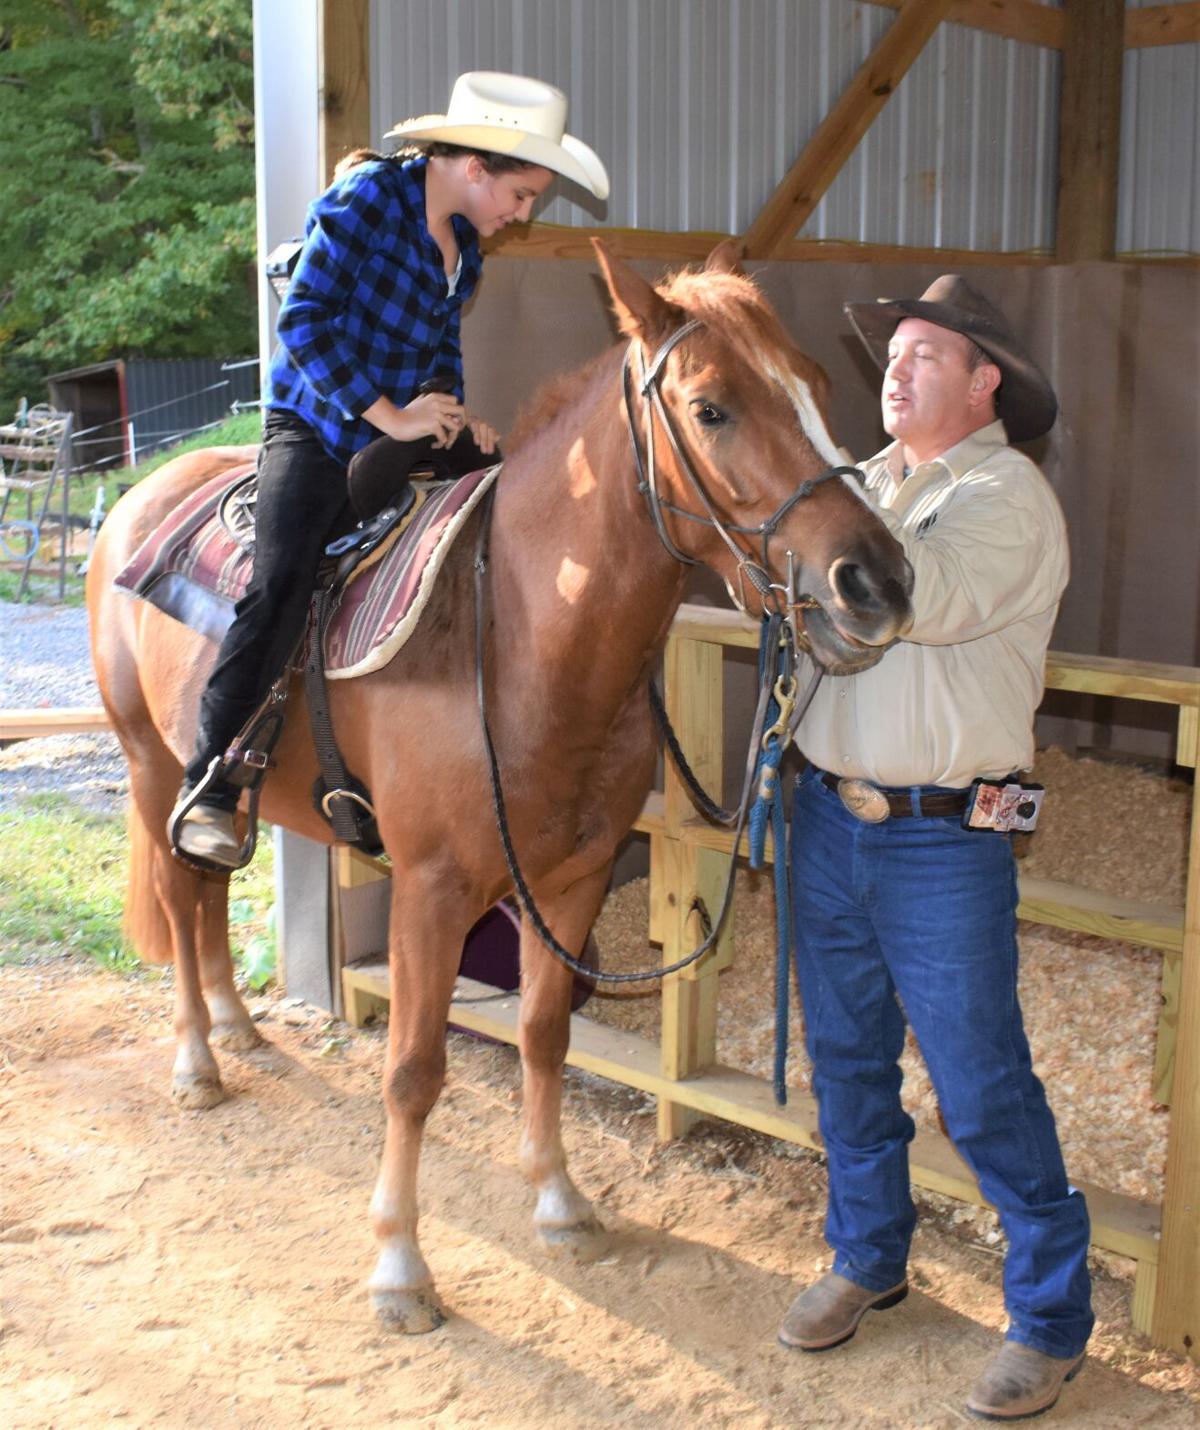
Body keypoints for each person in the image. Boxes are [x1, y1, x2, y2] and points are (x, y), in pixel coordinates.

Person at [781, 276, 1092, 1422]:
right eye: (893, 355)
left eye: (921, 356)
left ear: (982, 381)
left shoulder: (1006, 495)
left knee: (979, 1084)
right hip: (829, 816)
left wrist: (815, 532)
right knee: (850, 1061)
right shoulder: (861, 484)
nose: (896, 372)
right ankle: (869, 1254)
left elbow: (910, 595)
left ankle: (1051, 1319)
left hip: (943, 842)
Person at [171, 71, 608, 867]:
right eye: (522, 193)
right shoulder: (369, 198)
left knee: (508, 502)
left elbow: (439, 348)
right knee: (279, 587)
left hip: (400, 424)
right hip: (317, 423)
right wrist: (392, 415)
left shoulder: (466, 250)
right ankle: (211, 785)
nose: (525, 212)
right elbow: (303, 320)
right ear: (475, 168)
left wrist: (449, 410)